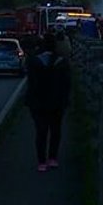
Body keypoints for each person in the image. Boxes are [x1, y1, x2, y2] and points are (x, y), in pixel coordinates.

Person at [25, 30, 71, 172]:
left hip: (38, 102)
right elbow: (67, 84)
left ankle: (41, 161)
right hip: (57, 101)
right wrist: (66, 100)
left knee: (41, 131)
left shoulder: (34, 61)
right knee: (56, 130)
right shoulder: (62, 62)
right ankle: (52, 158)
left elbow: (31, 83)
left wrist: (30, 100)